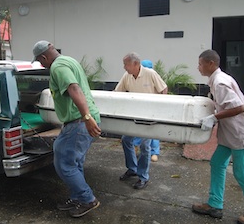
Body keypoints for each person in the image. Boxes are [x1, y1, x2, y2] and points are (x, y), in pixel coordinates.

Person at [32, 40, 102, 218]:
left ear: (44, 56)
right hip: (80, 121)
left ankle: (87, 199)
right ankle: (78, 197)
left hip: (79, 121)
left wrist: (86, 117)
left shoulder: (57, 67)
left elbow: (73, 87)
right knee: (74, 162)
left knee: (64, 163)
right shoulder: (69, 60)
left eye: (41, 62)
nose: (42, 65)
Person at [192, 50, 244, 224]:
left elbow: (238, 108)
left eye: (200, 64)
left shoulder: (220, 82)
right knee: (217, 162)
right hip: (230, 134)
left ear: (210, 64)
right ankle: (215, 205)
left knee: (241, 172)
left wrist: (214, 117)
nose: (198, 67)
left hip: (240, 135)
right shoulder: (217, 79)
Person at [114, 53, 167, 189]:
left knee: (145, 146)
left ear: (136, 64)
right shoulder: (127, 76)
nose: (124, 67)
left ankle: (143, 176)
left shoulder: (150, 73)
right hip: (134, 115)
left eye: (126, 64)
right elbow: (117, 92)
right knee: (126, 140)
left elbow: (163, 89)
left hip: (150, 116)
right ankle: (132, 168)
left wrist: (161, 108)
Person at [133, 60, 161, 162]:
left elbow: (162, 90)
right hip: (139, 108)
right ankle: (136, 146)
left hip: (153, 108)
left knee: (152, 132)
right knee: (138, 129)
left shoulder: (153, 76)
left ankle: (154, 152)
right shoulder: (136, 78)